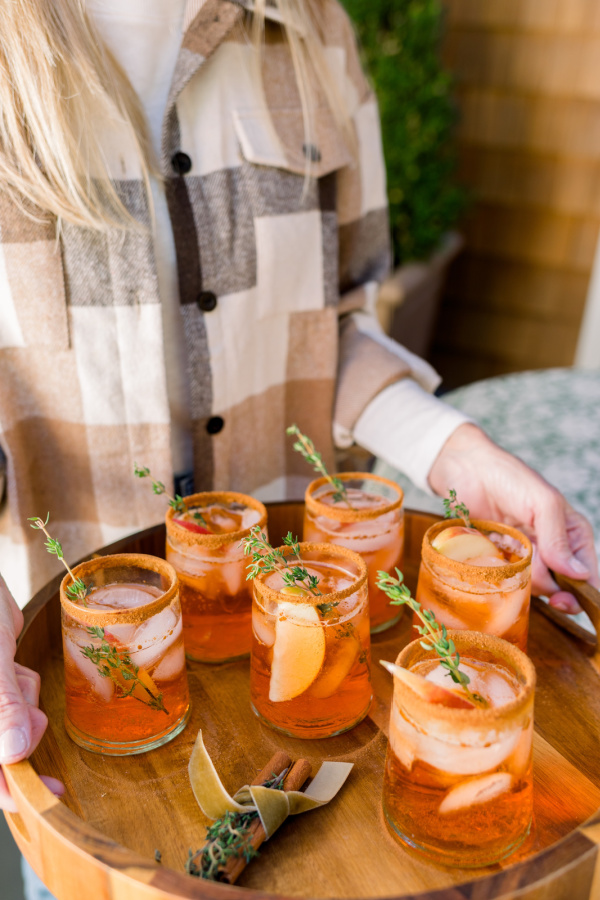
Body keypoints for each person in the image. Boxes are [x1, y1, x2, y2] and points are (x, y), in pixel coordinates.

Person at [0, 0, 597, 856]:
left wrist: (457, 451)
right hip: (74, 670)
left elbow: (339, 320)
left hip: (308, 641)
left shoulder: (313, 30)